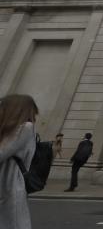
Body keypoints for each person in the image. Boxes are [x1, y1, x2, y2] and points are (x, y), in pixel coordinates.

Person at [0, 94, 38, 229]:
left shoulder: (25, 127)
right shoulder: (8, 129)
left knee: (13, 222)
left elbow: (2, 153)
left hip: (9, 183)